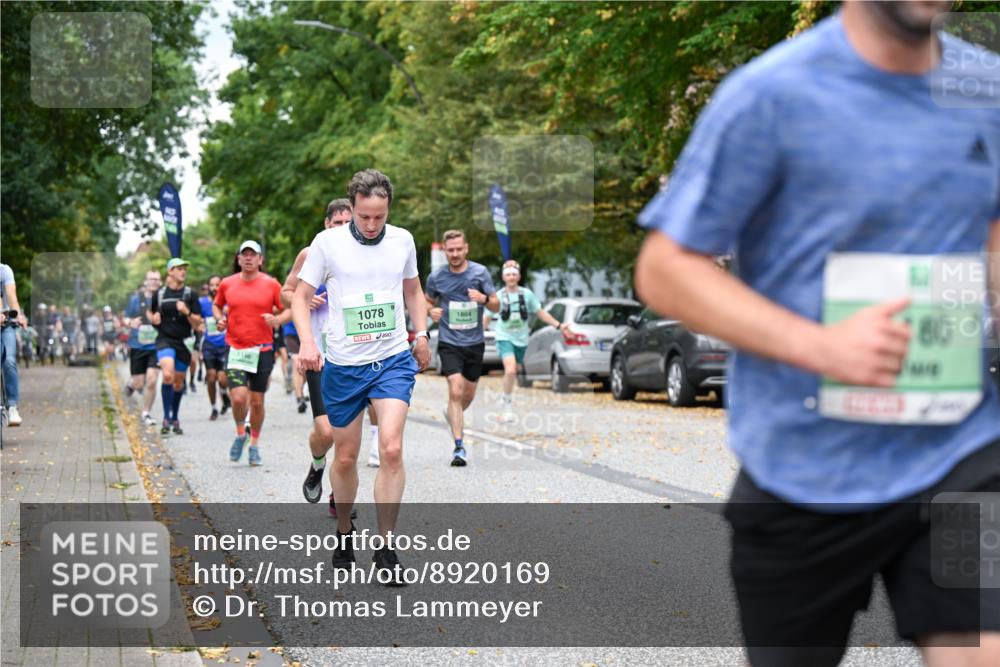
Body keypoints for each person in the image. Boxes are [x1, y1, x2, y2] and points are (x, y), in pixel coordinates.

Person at [633, 1, 1000, 664]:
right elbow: (665, 268)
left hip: (958, 452)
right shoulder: (772, 95)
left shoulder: (985, 87)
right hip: (804, 468)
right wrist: (823, 346)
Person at [294, 169, 430, 582]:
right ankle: (344, 532)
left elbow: (413, 291)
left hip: (391, 359)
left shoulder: (402, 240)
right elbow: (300, 297)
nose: (372, 225)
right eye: (364, 216)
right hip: (344, 364)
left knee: (390, 449)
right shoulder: (326, 244)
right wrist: (307, 343)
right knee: (347, 455)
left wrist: (421, 333)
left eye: (380, 216)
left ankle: (386, 549)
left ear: (388, 209)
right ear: (350, 208)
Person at [282, 198, 377, 519]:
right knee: (326, 432)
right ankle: (318, 463)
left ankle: (341, 495)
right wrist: (302, 302)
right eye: (335, 223)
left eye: (345, 223)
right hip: (320, 355)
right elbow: (287, 291)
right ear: (326, 225)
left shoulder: (366, 254)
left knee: (347, 434)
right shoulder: (312, 254)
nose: (340, 229)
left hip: (357, 356)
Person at [425, 229, 499, 466]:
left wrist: (484, 299)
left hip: (474, 343)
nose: (455, 254)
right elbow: (426, 301)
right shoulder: (437, 277)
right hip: (449, 342)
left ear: (466, 248)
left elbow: (496, 305)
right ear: (445, 251)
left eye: (459, 249)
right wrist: (430, 311)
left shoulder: (480, 273)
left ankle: (452, 413)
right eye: (450, 250)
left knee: (467, 394)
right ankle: (459, 447)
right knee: (455, 391)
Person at [214, 240, 285, 467]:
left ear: (260, 259)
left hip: (262, 350)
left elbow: (290, 309)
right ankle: (239, 433)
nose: (248, 258)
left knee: (256, 402)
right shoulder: (227, 284)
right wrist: (219, 319)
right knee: (238, 397)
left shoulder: (272, 284)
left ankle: (253, 445)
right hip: (236, 348)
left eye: (252, 255)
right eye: (244, 254)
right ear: (238, 259)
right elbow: (217, 305)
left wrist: (277, 320)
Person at [484, 259, 571, 422]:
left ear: (518, 276)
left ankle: (506, 395)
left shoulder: (527, 295)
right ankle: (507, 403)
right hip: (504, 337)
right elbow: (486, 316)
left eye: (513, 274)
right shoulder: (498, 296)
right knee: (510, 370)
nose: (511, 277)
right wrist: (481, 331)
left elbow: (540, 313)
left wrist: (559, 325)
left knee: (514, 370)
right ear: (503, 277)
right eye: (508, 274)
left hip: (522, 339)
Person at [149, 258, 202, 436]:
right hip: (164, 339)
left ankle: (175, 417)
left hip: (184, 342)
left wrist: (186, 311)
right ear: (170, 272)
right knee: (168, 374)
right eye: (179, 269)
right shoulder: (160, 294)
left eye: (184, 269)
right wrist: (154, 319)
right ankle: (165, 417)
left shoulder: (190, 295)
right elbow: (153, 315)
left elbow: (198, 323)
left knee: (178, 382)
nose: (183, 272)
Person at [126, 270, 162, 426]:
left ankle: (146, 412)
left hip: (156, 346)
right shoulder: (136, 299)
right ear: (146, 282)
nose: (153, 281)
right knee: (139, 383)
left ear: (160, 282)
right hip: (138, 345)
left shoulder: (162, 299)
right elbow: (125, 316)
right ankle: (131, 384)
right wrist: (130, 322)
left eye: (156, 279)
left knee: (152, 381)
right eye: (151, 279)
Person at [199, 275, 230, 420]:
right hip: (209, 346)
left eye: (217, 285)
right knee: (211, 377)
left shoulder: (228, 302)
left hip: (225, 345)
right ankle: (214, 408)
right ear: (208, 287)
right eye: (211, 285)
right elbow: (196, 318)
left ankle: (224, 396)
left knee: (223, 379)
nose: (214, 288)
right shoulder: (202, 303)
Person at [0, 263, 27, 426]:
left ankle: (12, 406)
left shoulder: (5, 270)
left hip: (6, 325)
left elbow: (11, 297)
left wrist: (19, 316)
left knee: (9, 361)